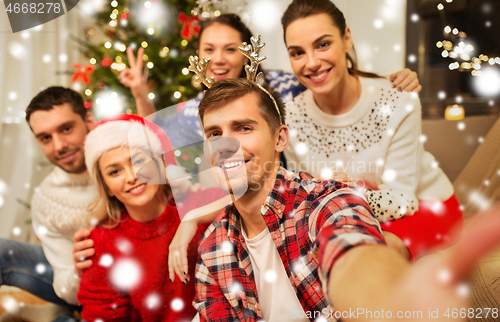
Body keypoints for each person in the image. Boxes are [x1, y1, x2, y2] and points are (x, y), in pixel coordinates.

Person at [192, 77, 500, 322]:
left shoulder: (328, 203)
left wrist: (390, 304)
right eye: (214, 134)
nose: (226, 145)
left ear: (280, 138)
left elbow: (353, 256)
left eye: (243, 128)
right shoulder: (212, 249)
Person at [280, 0, 462, 260]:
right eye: (297, 52)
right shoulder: (290, 117)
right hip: (349, 218)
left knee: (366, 255)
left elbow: (402, 200)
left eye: (323, 44)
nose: (311, 63)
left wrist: (342, 195)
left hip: (425, 209)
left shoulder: (398, 100)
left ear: (346, 39)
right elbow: (308, 197)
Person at [77, 114, 223, 321]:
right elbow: (101, 314)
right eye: (115, 171)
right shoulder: (102, 241)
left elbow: (255, 200)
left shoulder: (199, 204)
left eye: (138, 161)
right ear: (107, 188)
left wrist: (193, 219)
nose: (131, 176)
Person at [0, 87, 96, 322]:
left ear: (89, 121)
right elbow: (65, 283)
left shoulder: (123, 160)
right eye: (45, 138)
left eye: (66, 129)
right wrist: (78, 271)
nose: (59, 145)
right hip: (86, 285)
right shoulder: (46, 198)